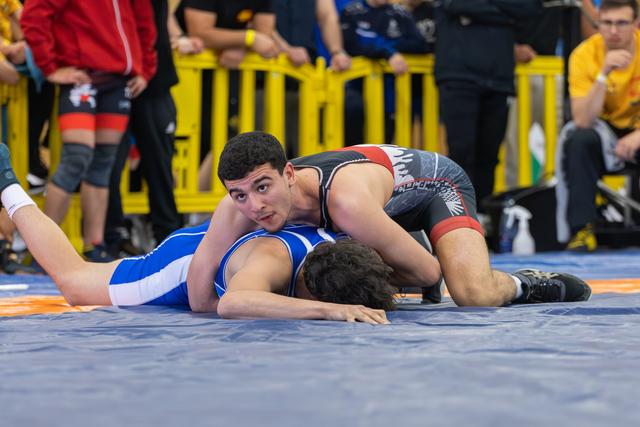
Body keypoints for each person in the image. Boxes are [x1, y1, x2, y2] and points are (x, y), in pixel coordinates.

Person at [185, 131, 592, 313]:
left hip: (436, 188)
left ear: (289, 174)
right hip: (382, 208)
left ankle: (523, 283)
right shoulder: (239, 201)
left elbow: (429, 274)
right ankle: (397, 238)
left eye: (262, 188)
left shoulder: (345, 202)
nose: (254, 206)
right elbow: (201, 295)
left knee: (472, 294)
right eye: (240, 194)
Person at [0, 143, 391, 324]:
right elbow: (232, 303)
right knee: (74, 282)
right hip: (185, 267)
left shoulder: (341, 246)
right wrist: (328, 310)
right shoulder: (274, 262)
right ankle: (7, 184)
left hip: (227, 236)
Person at [20, 0, 157, 262]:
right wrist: (49, 67)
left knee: (102, 164)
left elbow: (144, 24)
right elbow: (34, 15)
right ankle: (41, 249)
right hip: (83, 76)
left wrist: (144, 69)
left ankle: (94, 246)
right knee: (76, 158)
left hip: (118, 81)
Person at [105, 0, 204, 257]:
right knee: (109, 163)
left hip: (151, 77)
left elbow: (158, 15)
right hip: (115, 75)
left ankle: (169, 237)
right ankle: (113, 236)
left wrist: (177, 37)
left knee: (159, 163)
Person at [434, 0, 543, 212]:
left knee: (490, 155)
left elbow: (529, 9)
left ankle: (484, 217)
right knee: (462, 153)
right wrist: (505, 14)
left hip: (499, 78)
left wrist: (478, 12)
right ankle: (458, 218)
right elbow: (453, 5)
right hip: (458, 76)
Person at [556, 0, 640, 252]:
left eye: (621, 23)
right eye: (607, 23)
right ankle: (581, 229)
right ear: (599, 23)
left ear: (635, 24)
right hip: (604, 131)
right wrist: (604, 73)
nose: (614, 31)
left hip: (637, 130)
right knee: (579, 139)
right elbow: (582, 119)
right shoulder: (583, 55)